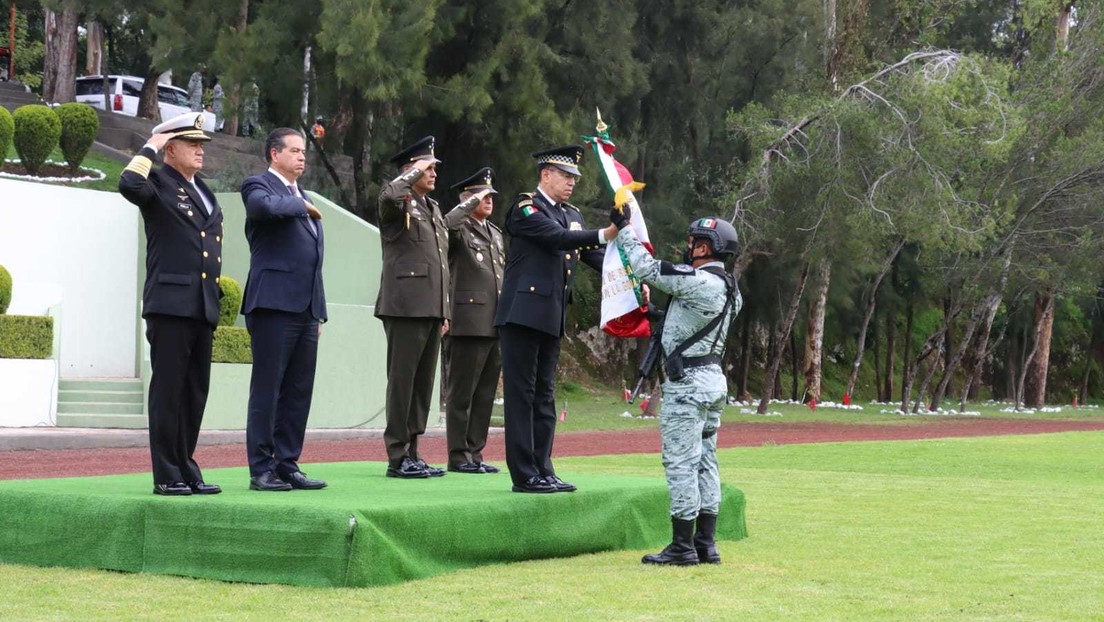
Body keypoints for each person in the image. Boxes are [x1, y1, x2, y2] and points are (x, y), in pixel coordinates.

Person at [611, 210, 741, 566]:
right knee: (706, 461)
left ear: (706, 247)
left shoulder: (697, 280)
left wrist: (624, 229)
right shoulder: (730, 289)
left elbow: (647, 268)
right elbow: (693, 320)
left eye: (694, 242)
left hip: (687, 386)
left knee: (681, 463)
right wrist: (660, 316)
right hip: (713, 381)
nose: (689, 246)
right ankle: (706, 543)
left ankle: (682, 546)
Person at [494, 145, 618, 493]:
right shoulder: (526, 207)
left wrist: (632, 278)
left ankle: (543, 468)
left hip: (551, 314)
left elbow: (594, 256)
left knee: (544, 394)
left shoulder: (571, 214)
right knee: (522, 394)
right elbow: (557, 238)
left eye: (574, 177)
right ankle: (524, 474)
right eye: (565, 175)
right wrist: (606, 232)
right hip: (522, 314)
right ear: (545, 175)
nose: (571, 182)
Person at [117, 112, 223, 497]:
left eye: (201, 145)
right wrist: (152, 144)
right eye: (192, 144)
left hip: (202, 306)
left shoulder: (204, 190)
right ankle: (166, 472)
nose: (200, 150)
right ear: (171, 149)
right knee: (168, 392)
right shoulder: (158, 182)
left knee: (194, 393)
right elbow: (128, 184)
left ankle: (186, 466)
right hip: (171, 304)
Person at [239, 128, 328, 492]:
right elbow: (262, 209)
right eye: (294, 150)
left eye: (304, 151)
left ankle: (287, 464)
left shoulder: (303, 194)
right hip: (273, 305)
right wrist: (300, 206)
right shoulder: (258, 185)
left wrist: (318, 311)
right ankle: (261, 468)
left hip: (305, 310)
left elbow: (313, 261)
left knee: (298, 391)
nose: (302, 156)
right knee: (268, 390)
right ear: (274, 154)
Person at [375, 136, 451, 479]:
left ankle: (413, 451)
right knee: (402, 382)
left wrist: (445, 309)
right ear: (409, 170)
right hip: (405, 305)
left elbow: (441, 264)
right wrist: (411, 172)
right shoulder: (397, 201)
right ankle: (397, 453)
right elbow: (389, 196)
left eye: (433, 167)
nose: (433, 173)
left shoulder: (432, 208)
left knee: (422, 385)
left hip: (431, 307)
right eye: (427, 167)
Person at [442, 167, 504, 474]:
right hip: (467, 321)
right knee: (462, 392)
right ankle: (458, 454)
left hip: (494, 321)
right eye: (481, 195)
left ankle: (475, 452)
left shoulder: (495, 233)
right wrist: (467, 205)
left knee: (485, 393)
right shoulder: (459, 228)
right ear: (466, 199)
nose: (488, 200)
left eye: (490, 195)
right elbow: (446, 225)